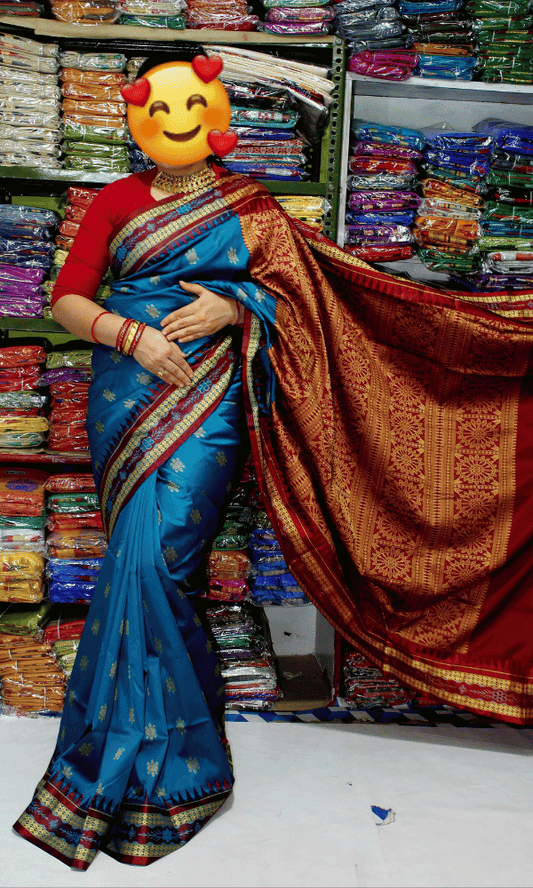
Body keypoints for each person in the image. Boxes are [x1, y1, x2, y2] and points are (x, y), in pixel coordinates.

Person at [14, 43, 533, 871]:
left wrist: (234, 302)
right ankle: (165, 750)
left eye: (192, 108)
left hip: (209, 398)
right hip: (126, 394)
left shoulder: (250, 206)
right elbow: (67, 297)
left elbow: (314, 292)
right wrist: (130, 334)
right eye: (159, 109)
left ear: (216, 119)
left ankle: (177, 768)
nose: (175, 122)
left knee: (157, 563)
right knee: (138, 567)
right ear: (135, 116)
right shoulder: (112, 199)